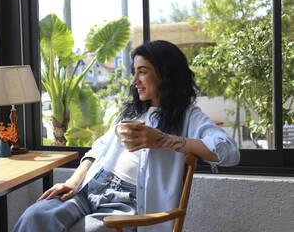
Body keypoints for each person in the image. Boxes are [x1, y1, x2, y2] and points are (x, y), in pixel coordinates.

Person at [13, 40, 240, 232]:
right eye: (135, 72)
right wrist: (73, 182)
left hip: (127, 204)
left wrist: (162, 140)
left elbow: (228, 152)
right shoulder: (130, 112)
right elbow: (98, 149)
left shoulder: (189, 117)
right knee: (35, 217)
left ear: (166, 75)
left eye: (142, 72)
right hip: (92, 187)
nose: (134, 81)